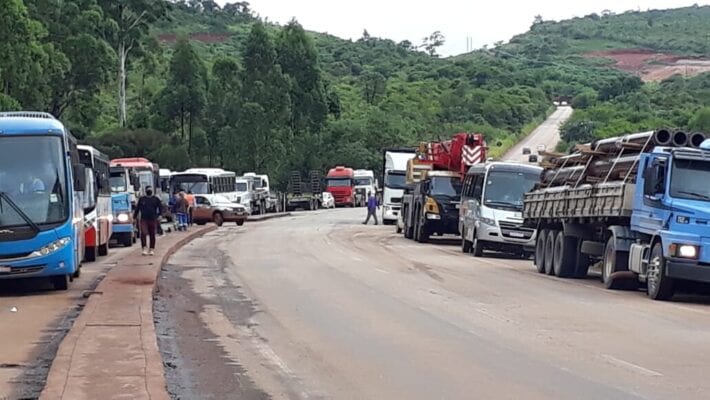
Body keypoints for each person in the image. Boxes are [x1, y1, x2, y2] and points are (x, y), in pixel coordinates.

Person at [133, 186, 164, 256]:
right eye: (148, 189)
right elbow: (137, 209)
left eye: (150, 189)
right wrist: (134, 217)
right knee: (143, 233)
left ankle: (151, 249)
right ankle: (144, 248)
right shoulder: (142, 199)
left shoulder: (156, 199)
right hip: (144, 219)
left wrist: (160, 215)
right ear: (145, 191)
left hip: (153, 219)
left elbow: (160, 207)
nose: (149, 190)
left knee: (152, 234)